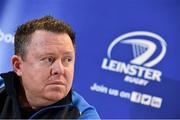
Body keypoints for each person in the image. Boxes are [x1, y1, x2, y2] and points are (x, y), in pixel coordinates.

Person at [0, 16, 100, 119]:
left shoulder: (83, 116)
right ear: (18, 66)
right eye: (48, 59)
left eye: (67, 60)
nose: (60, 70)